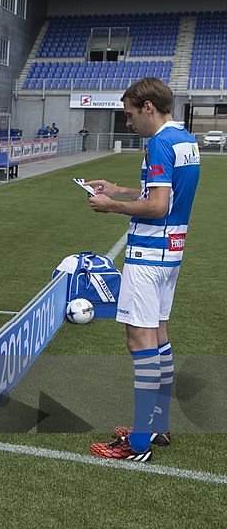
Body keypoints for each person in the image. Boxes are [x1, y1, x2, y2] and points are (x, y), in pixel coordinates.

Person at [85, 77, 200, 463]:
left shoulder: (160, 144)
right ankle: (158, 424)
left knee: (140, 342)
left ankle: (137, 443)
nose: (129, 122)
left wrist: (109, 206)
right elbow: (160, 194)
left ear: (148, 106)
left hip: (149, 254)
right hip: (171, 251)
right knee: (159, 335)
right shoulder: (184, 138)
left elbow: (158, 206)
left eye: (131, 114)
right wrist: (118, 190)